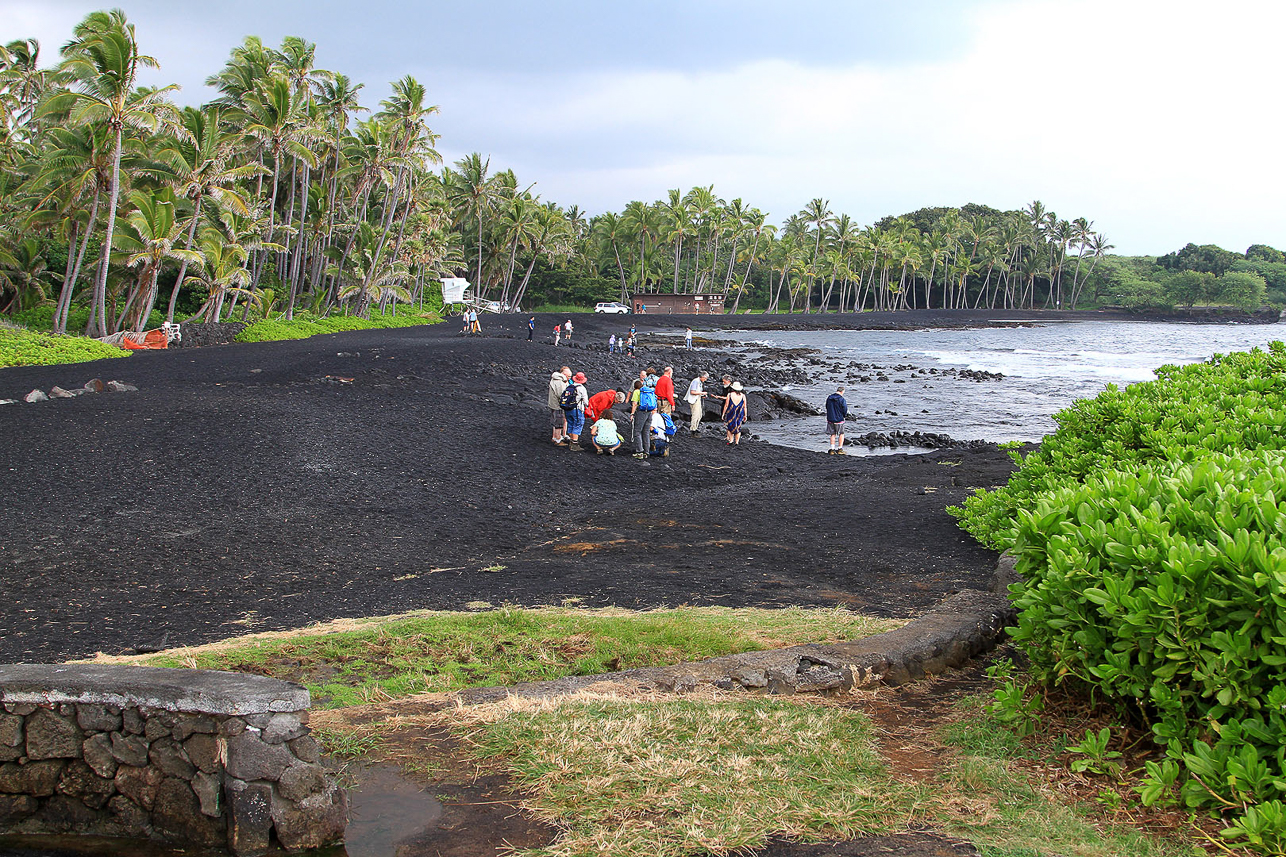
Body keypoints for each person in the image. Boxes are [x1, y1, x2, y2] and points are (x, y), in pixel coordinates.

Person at [631, 372, 658, 459]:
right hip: (649, 412)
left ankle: (639, 452)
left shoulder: (636, 392)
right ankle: (647, 451)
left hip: (641, 412)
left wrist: (632, 414)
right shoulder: (647, 390)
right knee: (646, 432)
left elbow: (635, 404)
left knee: (637, 432)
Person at [561, 371, 590, 449]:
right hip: (577, 409)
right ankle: (574, 444)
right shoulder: (582, 388)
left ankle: (571, 441)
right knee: (577, 425)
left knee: (570, 423)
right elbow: (586, 402)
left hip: (567, 408)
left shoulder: (569, 386)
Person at [547, 366, 572, 445]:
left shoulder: (557, 379)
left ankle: (555, 437)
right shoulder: (559, 382)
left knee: (556, 421)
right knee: (559, 422)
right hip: (558, 405)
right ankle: (558, 439)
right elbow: (561, 394)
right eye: (569, 376)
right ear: (564, 374)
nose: (570, 378)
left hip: (553, 404)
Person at [825, 386, 849, 454]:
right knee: (841, 433)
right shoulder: (841, 399)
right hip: (839, 419)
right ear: (842, 391)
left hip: (830, 418)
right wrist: (844, 415)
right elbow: (844, 409)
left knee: (832, 434)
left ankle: (832, 449)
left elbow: (827, 406)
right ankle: (840, 449)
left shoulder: (829, 398)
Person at [723, 381, 746, 446]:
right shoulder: (743, 396)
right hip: (739, 413)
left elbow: (726, 405)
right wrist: (745, 415)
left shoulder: (729, 395)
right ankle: (737, 442)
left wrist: (723, 414)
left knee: (729, 426)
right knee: (738, 427)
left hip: (731, 412)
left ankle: (731, 441)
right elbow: (745, 407)